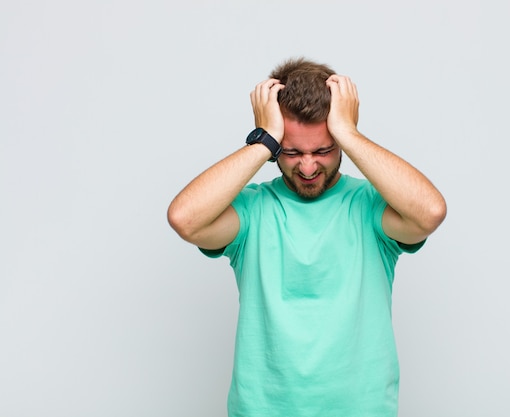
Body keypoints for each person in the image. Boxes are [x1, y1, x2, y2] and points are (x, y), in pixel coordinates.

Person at [167, 57, 447, 417]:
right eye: (292, 152)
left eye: (324, 150)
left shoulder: (370, 207)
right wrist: (264, 141)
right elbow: (184, 218)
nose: (309, 167)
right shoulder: (253, 210)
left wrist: (349, 133)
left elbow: (430, 212)